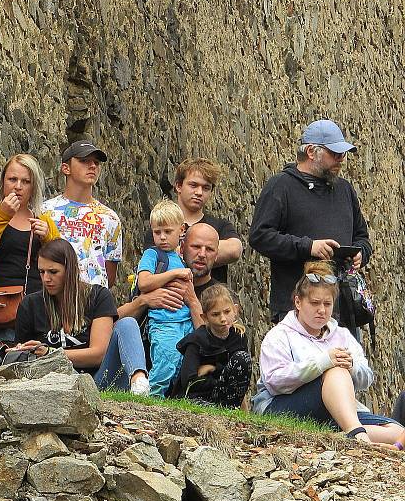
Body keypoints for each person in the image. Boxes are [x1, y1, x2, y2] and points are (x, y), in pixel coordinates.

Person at [252, 261, 402, 444]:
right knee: (336, 371)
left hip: (333, 413)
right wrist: (323, 363)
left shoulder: (342, 335)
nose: (322, 310)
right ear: (298, 302)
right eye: (315, 303)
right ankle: (357, 434)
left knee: (399, 432)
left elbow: (367, 378)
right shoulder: (279, 335)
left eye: (327, 304)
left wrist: (352, 366)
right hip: (281, 406)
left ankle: (339, 436)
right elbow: (275, 382)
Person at [249, 119, 370, 327]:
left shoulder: (345, 190)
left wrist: (360, 253)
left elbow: (362, 237)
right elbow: (260, 236)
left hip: (342, 309)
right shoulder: (281, 186)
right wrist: (309, 246)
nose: (341, 159)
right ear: (312, 152)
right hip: (297, 308)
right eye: (335, 153)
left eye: (343, 154)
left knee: (346, 361)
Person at [14, 238, 149, 394]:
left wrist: (50, 353)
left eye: (53, 272)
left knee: (127, 324)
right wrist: (22, 350)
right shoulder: (30, 304)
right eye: (41, 272)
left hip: (98, 379)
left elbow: (98, 354)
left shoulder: (98, 296)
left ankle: (139, 382)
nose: (46, 279)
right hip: (54, 384)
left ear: (69, 269)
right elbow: (21, 358)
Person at [0, 153, 60, 325]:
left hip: (39, 313)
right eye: (12, 179)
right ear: (2, 183)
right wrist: (3, 216)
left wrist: (48, 239)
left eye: (26, 181)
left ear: (33, 188)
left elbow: (64, 265)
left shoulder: (44, 221)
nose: (18, 186)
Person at [143, 159, 242, 284]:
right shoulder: (161, 229)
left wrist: (183, 252)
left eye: (206, 188)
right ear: (179, 186)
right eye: (193, 185)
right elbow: (155, 261)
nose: (199, 192)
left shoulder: (220, 226)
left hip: (211, 298)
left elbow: (234, 249)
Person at [42, 140, 122, 287]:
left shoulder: (110, 218)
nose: (92, 166)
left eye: (96, 163)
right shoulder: (45, 211)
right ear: (66, 168)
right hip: (54, 297)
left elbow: (109, 274)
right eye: (84, 161)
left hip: (93, 299)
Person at [136, 200, 194, 396]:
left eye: (167, 232)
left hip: (184, 322)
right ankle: (151, 399)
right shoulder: (152, 254)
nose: (162, 237)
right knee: (164, 364)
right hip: (163, 323)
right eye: (157, 232)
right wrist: (174, 274)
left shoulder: (179, 257)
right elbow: (143, 282)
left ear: (181, 229)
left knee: (178, 367)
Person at [119, 222, 220, 326]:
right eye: (196, 247)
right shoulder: (157, 277)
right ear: (182, 248)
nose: (202, 254)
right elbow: (113, 323)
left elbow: (218, 340)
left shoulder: (221, 295)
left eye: (209, 249)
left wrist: (192, 301)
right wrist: (143, 300)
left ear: (216, 255)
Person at [168, 284, 251, 408]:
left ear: (235, 310)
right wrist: (220, 380)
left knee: (243, 358)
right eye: (215, 314)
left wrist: (214, 368)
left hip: (224, 396)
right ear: (205, 318)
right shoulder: (196, 341)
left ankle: (231, 410)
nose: (223, 319)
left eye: (227, 312)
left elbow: (239, 378)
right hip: (196, 397)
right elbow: (190, 382)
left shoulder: (239, 336)